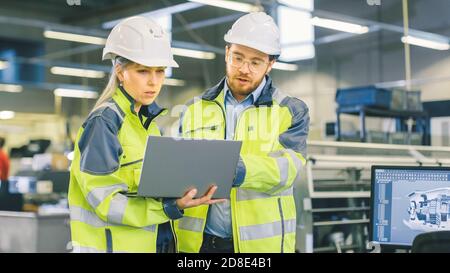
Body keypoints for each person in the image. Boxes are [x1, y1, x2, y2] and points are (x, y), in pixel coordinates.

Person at [68, 16, 222, 253]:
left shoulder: (146, 124)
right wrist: (167, 208)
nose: (154, 82)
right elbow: (106, 202)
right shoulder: (105, 122)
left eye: (160, 71)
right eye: (143, 71)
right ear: (120, 72)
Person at [174, 12, 310, 253]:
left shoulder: (290, 110)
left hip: (258, 249)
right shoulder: (194, 108)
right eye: (237, 58)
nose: (244, 69)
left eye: (256, 62)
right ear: (227, 53)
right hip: (200, 245)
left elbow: (287, 170)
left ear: (270, 64)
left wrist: (237, 168)